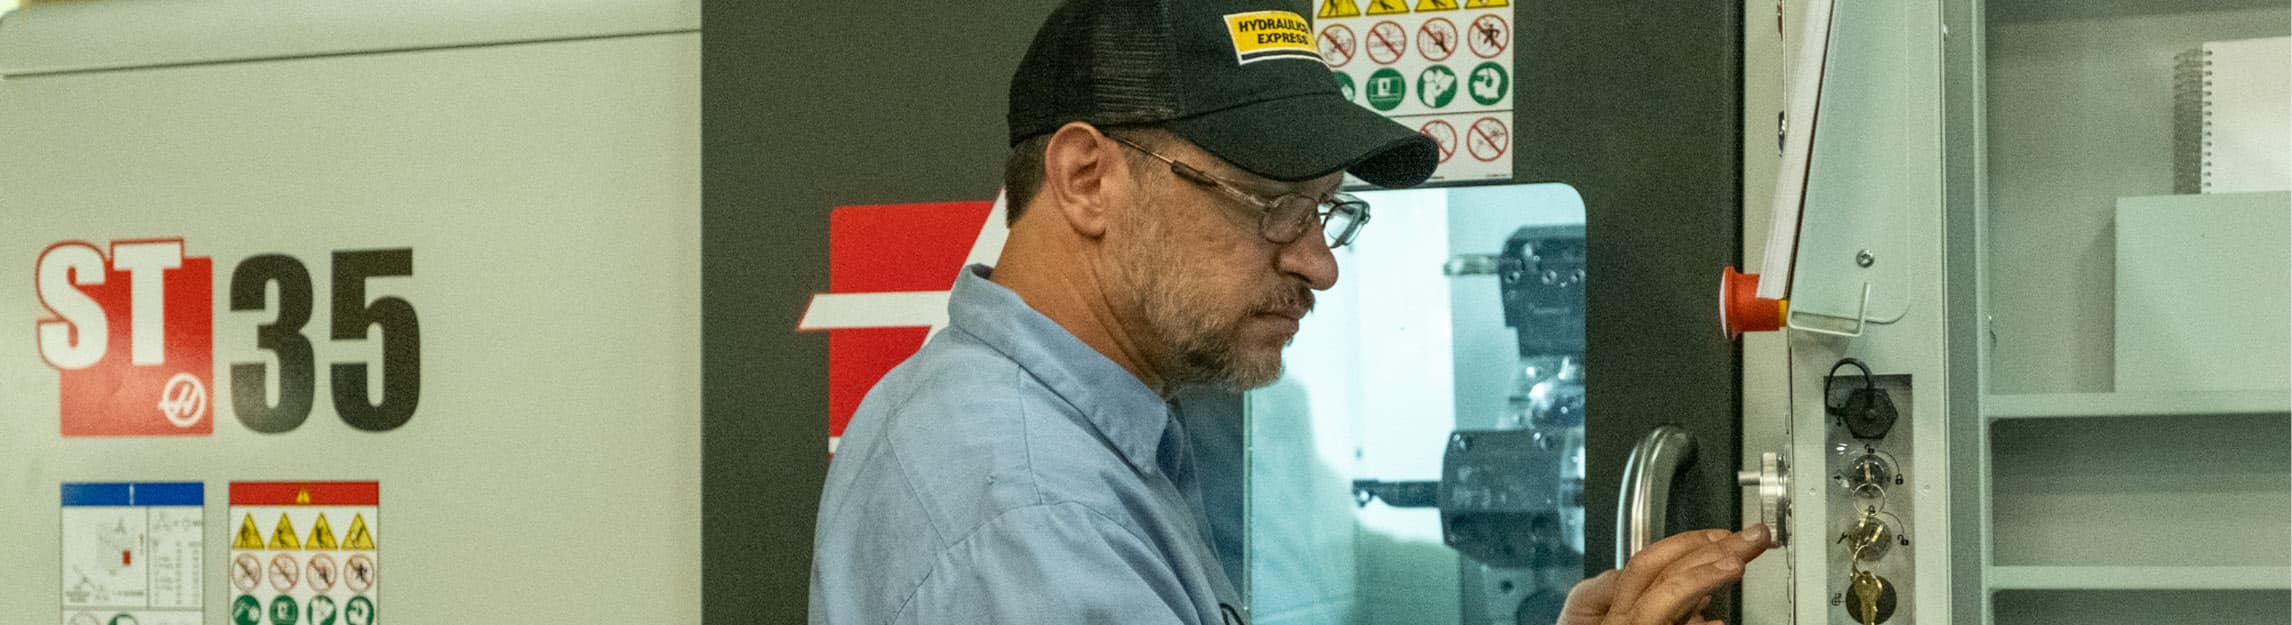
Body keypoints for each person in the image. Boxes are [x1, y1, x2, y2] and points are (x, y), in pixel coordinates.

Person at [808, 1, 1772, 623]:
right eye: (1270, 206)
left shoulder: (1084, 433)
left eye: (1325, 214)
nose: (1318, 264)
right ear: (1086, 179)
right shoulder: (1028, 508)